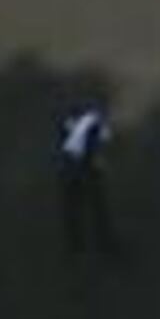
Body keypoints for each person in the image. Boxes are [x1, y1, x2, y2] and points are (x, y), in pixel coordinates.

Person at [57, 106, 118, 258]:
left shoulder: (79, 121)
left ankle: (76, 244)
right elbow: (101, 141)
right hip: (82, 166)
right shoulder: (96, 124)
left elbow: (67, 127)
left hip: (70, 163)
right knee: (95, 204)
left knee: (74, 205)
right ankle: (102, 242)